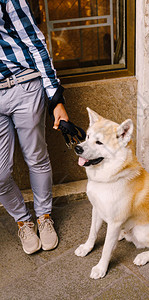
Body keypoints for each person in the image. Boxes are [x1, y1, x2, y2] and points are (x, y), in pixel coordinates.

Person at [0, 0, 69, 254]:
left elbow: (33, 41)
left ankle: (43, 217)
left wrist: (55, 99)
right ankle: (23, 220)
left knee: (36, 157)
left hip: (23, 85)